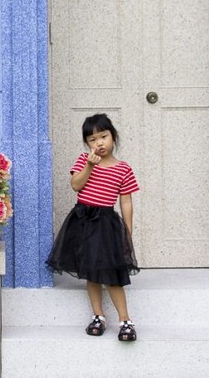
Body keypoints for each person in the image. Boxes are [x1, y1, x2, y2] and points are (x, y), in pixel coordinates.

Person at [46, 113, 141, 341]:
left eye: (103, 136)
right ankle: (98, 316)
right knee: (92, 272)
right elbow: (76, 185)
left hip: (106, 224)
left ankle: (125, 320)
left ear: (113, 136)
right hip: (83, 221)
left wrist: (127, 231)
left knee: (111, 273)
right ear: (87, 143)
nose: (99, 143)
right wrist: (89, 165)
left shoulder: (123, 168)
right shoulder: (83, 160)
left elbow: (126, 201)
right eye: (92, 139)